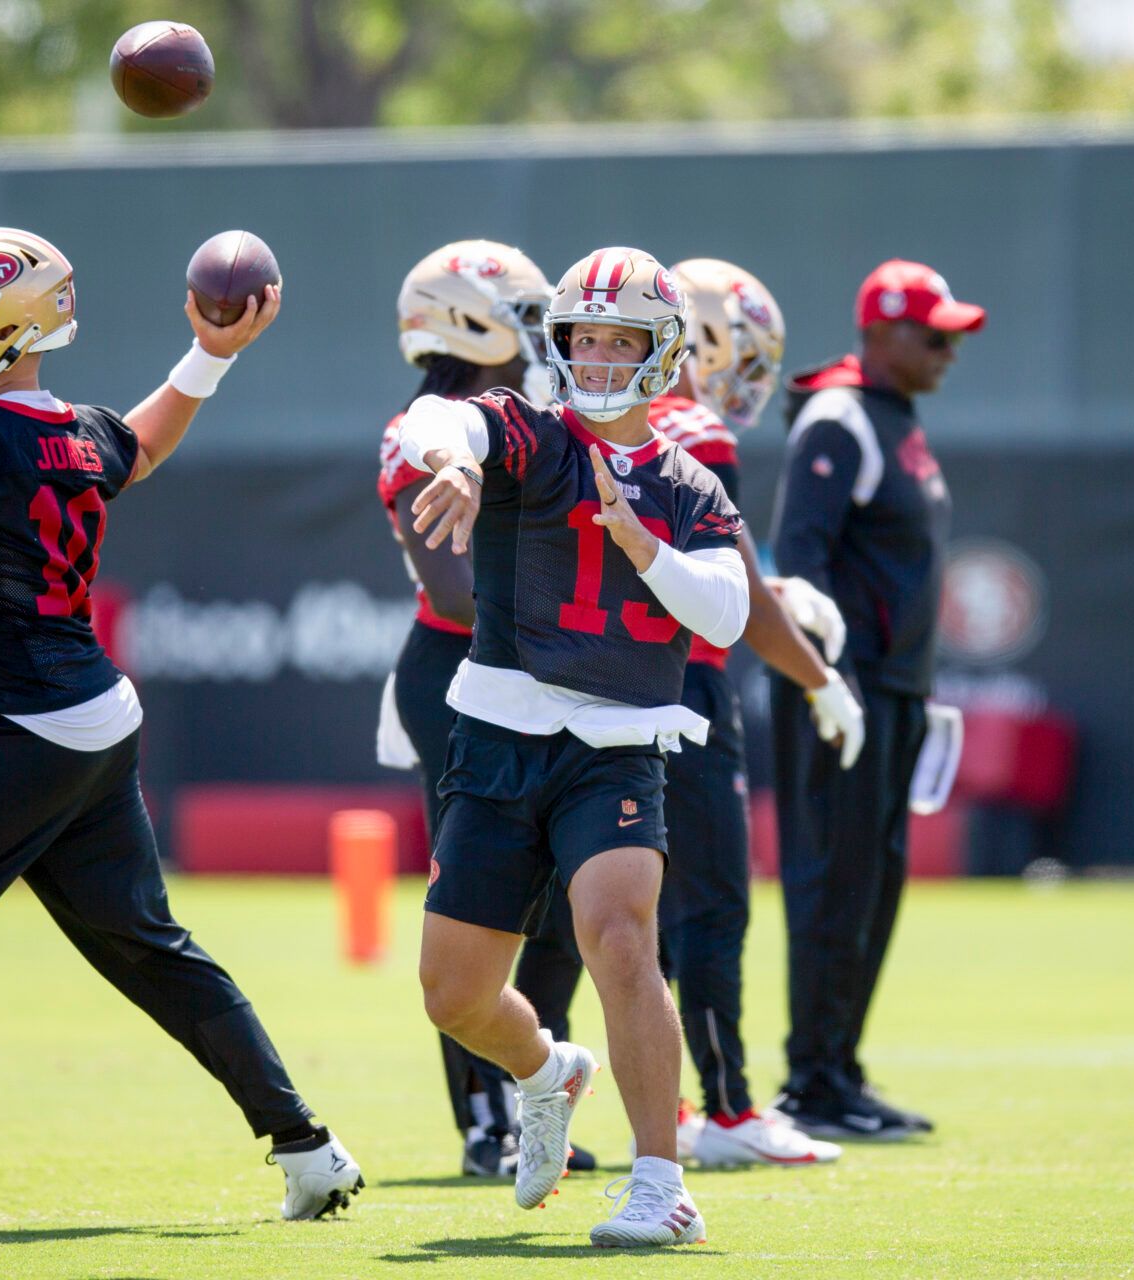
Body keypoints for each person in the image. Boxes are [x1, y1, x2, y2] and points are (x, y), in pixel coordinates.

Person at [0, 227, 361, 1236]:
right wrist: (211, 355)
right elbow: (147, 441)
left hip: (20, 726)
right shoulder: (76, 431)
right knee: (147, 945)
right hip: (93, 721)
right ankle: (305, 1143)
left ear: (5, 322)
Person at [405, 246, 746, 1248]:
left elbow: (724, 614)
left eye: (617, 340)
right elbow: (440, 415)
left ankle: (659, 1181)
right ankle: (548, 1071)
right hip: (502, 733)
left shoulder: (686, 480)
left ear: (661, 349)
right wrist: (455, 458)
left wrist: (643, 544)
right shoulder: (527, 432)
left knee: (620, 931)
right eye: (581, 339)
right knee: (453, 993)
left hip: (617, 745)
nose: (594, 358)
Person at [379, 240, 595, 1179]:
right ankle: (483, 1118)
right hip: (464, 674)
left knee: (565, 902)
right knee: (476, 897)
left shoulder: (552, 415)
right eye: (526, 311)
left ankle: (536, 1091)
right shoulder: (418, 432)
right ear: (470, 319)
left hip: (552, 668)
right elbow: (461, 593)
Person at [643, 258, 861, 1168]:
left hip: (601, 684)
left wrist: (765, 586)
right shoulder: (695, 429)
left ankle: (670, 1106)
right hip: (684, 687)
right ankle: (728, 1109)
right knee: (713, 901)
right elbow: (725, 601)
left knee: (627, 915)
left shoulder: (608, 422)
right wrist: (816, 677)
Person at [769, 258, 982, 1140]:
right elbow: (799, 559)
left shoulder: (897, 419)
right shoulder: (838, 417)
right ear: (883, 334)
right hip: (842, 694)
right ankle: (812, 1082)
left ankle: (841, 1070)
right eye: (935, 336)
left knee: (875, 883)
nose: (948, 352)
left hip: (895, 691)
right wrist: (828, 680)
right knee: (833, 879)